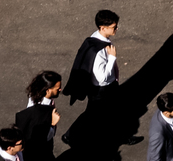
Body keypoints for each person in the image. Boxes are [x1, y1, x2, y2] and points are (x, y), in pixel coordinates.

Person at [61, 9, 142, 146]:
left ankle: (70, 135)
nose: (116, 29)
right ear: (103, 27)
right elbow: (102, 77)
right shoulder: (100, 51)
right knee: (102, 113)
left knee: (103, 113)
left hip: (98, 88)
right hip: (103, 89)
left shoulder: (93, 38)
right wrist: (112, 58)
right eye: (114, 27)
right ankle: (121, 137)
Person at [15, 71, 62, 161]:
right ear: (47, 90)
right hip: (40, 147)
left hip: (37, 148)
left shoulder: (35, 97)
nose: (60, 89)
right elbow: (42, 136)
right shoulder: (41, 112)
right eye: (57, 87)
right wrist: (51, 124)